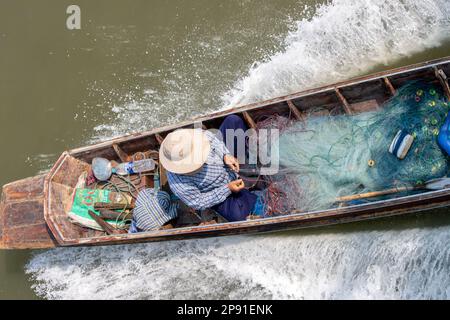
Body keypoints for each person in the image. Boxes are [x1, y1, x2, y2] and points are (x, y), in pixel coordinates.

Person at [159, 115, 257, 221]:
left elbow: (211, 138)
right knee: (238, 215)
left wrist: (225, 155)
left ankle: (249, 153)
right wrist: (227, 189)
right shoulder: (177, 183)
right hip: (220, 190)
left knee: (233, 121)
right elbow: (199, 201)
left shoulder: (192, 139)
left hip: (228, 160)